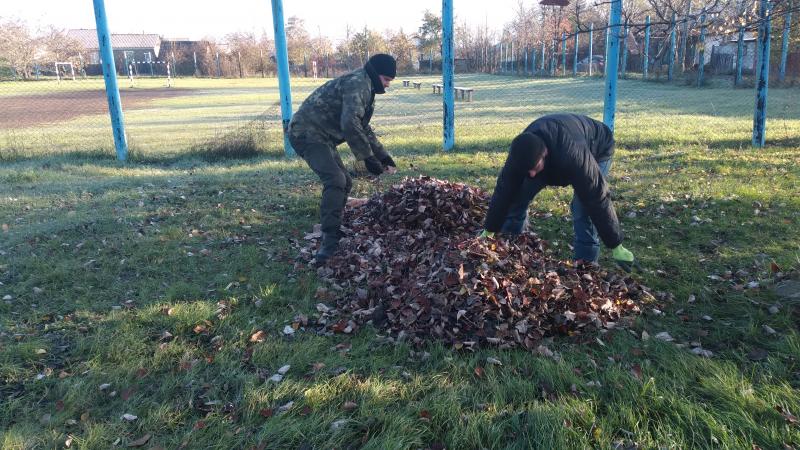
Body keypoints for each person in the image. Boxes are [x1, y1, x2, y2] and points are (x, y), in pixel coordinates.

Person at [480, 113, 638, 271]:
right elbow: (504, 190)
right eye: (528, 170)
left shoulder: (574, 155)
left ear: (545, 154)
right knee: (519, 194)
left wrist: (616, 244)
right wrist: (490, 229)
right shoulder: (521, 154)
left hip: (597, 147)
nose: (532, 174)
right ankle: (512, 245)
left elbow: (597, 197)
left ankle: (585, 266)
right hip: (557, 149)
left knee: (582, 208)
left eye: (535, 168)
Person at [288, 54, 398, 264]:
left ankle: (334, 224)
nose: (387, 85)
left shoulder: (365, 85)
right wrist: (367, 158)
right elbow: (349, 124)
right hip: (306, 134)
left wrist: (382, 156)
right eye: (386, 79)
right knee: (336, 180)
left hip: (323, 136)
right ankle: (329, 240)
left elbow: (362, 126)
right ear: (376, 74)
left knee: (345, 181)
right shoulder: (358, 83)